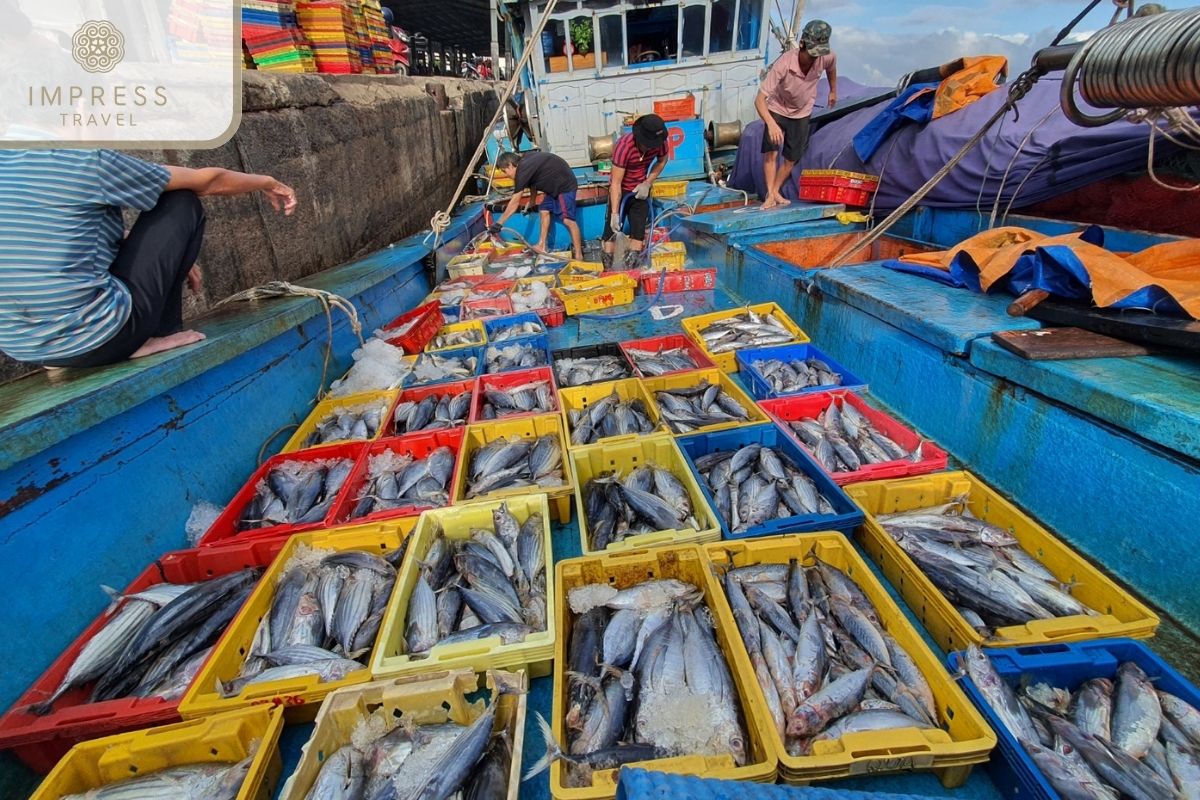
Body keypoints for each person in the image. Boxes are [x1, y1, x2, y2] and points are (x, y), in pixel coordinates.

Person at [0, 149, 297, 369]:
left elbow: (53, 241)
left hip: (27, 349)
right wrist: (267, 182)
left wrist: (165, 254)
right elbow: (207, 182)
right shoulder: (84, 163)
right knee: (180, 201)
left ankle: (71, 352)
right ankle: (156, 335)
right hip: (101, 338)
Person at [756, 20, 837, 210]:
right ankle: (769, 194)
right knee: (772, 152)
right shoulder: (784, 64)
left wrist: (833, 89)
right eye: (811, 54)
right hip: (777, 107)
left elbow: (832, 67)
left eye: (818, 54)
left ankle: (775, 190)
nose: (814, 58)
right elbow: (759, 100)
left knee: (792, 157)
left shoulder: (826, 57)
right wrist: (771, 123)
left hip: (802, 111)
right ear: (802, 45)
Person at [604, 114, 671, 269]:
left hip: (641, 190)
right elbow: (615, 183)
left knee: (638, 232)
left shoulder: (660, 143)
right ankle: (608, 269)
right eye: (647, 144)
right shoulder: (624, 146)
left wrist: (647, 183)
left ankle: (633, 270)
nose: (650, 148)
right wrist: (615, 213)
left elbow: (662, 160)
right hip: (620, 190)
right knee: (610, 234)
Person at [490, 150, 583, 260]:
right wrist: (533, 200)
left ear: (510, 165)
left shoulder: (522, 170)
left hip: (564, 186)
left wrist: (499, 223)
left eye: (505, 171)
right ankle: (542, 245)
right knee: (543, 209)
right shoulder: (525, 159)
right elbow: (533, 180)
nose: (506, 175)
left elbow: (514, 202)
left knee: (568, 220)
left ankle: (579, 255)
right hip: (553, 186)